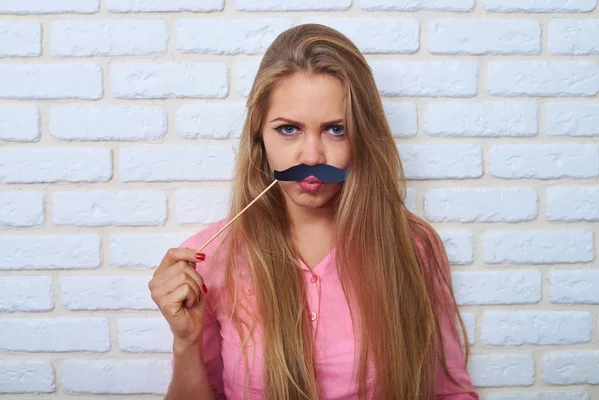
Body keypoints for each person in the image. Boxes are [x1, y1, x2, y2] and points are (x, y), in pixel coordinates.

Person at [149, 24, 479, 400]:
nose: (311, 157)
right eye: (288, 129)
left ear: (363, 136)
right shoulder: (209, 257)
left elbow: (449, 393)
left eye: (335, 130)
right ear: (259, 135)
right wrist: (185, 342)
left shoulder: (412, 246)